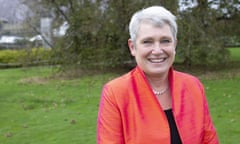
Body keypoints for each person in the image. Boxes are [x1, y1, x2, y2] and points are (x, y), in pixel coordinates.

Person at [97, 6, 219, 144]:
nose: (157, 50)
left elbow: (209, 139)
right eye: (147, 42)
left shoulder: (193, 86)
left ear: (175, 45)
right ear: (133, 47)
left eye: (165, 41)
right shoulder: (115, 93)